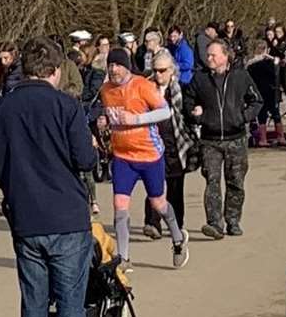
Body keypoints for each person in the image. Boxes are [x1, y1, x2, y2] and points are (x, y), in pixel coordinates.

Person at [0, 37, 105, 317]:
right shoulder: (66, 106)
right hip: (66, 213)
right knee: (70, 299)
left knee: (34, 298)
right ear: (55, 71)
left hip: (25, 214)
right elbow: (86, 160)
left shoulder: (1, 109)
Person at [98, 47, 188, 268]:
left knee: (158, 203)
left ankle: (178, 238)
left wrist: (136, 119)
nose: (114, 69)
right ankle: (124, 258)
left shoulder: (142, 85)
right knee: (120, 204)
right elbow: (111, 116)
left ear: (127, 66)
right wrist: (104, 122)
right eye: (110, 65)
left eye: (118, 65)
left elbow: (164, 112)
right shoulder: (106, 90)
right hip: (122, 156)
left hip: (149, 155)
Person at [186, 40, 258, 237]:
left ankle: (233, 221)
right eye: (208, 55)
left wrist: (243, 117)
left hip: (236, 138)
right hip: (210, 140)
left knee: (236, 181)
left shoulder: (240, 76)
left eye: (213, 55)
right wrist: (196, 115)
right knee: (212, 181)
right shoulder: (199, 79)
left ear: (225, 56)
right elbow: (188, 101)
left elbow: (256, 100)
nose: (209, 58)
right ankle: (214, 223)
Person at [144, 50, 195, 238]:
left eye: (162, 70)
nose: (158, 75)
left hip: (175, 142)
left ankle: (177, 224)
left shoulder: (182, 89)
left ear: (171, 70)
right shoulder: (147, 89)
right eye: (155, 70)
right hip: (153, 143)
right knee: (153, 185)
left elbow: (187, 115)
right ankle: (152, 223)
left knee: (175, 187)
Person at [245, 39, 285, 148]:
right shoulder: (268, 63)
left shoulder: (250, 64)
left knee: (262, 116)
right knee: (276, 115)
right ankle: (280, 137)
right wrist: (274, 61)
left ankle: (263, 139)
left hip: (258, 92)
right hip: (270, 91)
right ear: (266, 50)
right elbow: (276, 74)